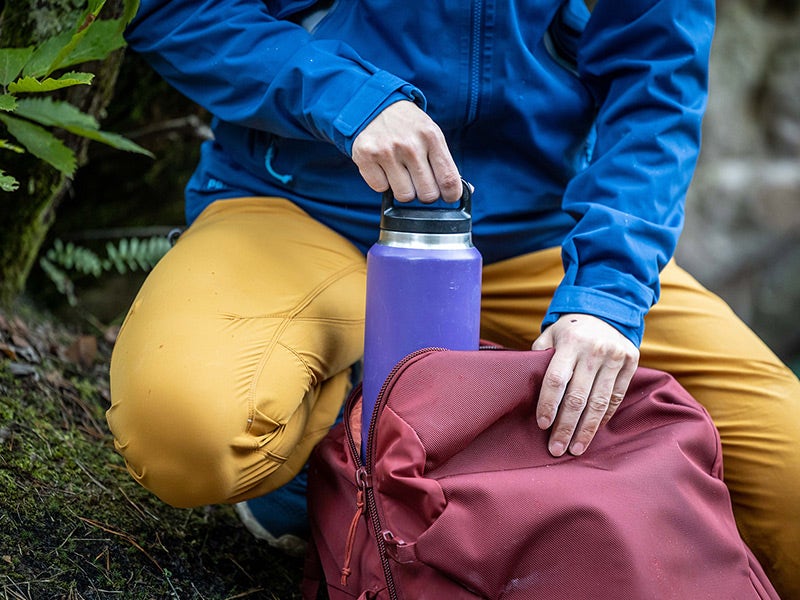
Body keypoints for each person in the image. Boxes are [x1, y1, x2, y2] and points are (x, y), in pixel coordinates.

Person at [106, 0, 800, 595]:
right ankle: (325, 458)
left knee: (790, 482)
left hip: (541, 236)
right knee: (187, 435)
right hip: (301, 207)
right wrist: (346, 98)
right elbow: (177, 12)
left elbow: (657, 83)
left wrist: (607, 291)